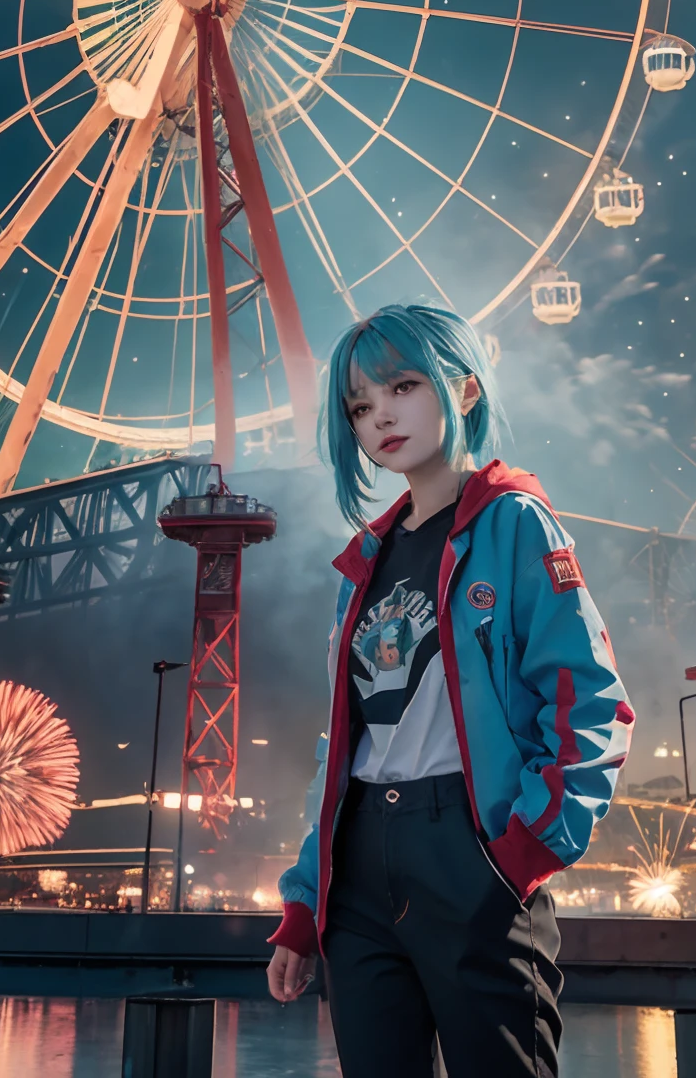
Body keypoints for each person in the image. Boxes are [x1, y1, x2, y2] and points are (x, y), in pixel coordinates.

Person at [266, 304, 633, 1077]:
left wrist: (524, 849)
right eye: (359, 406)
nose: (380, 417)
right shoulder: (361, 564)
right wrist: (307, 903)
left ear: (464, 390)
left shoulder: (514, 526)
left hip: (472, 853)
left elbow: (589, 701)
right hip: (360, 872)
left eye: (402, 385)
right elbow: (346, 749)